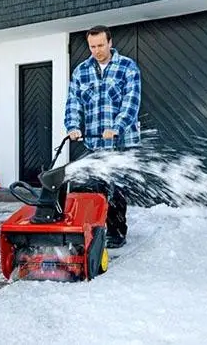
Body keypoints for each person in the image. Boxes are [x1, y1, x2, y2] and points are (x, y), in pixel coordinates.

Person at [64, 25, 141, 248]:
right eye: (92, 46)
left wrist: (117, 126)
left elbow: (131, 101)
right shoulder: (81, 71)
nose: (96, 50)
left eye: (100, 45)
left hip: (121, 142)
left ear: (109, 42)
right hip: (94, 141)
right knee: (93, 188)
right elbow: (74, 102)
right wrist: (72, 125)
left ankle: (116, 232)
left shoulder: (127, 67)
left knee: (115, 188)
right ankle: (95, 230)